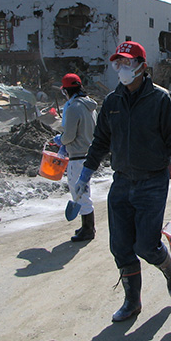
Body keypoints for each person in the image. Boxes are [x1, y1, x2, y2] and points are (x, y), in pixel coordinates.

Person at [74, 41, 171, 323]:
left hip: (152, 182)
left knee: (146, 246)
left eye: (127, 63)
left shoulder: (161, 100)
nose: (122, 69)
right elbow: (100, 141)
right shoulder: (112, 102)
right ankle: (132, 302)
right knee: (121, 246)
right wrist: (85, 175)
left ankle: (170, 269)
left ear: (142, 66)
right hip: (122, 182)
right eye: (118, 63)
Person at [53, 73, 98, 242]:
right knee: (84, 190)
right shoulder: (89, 106)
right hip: (89, 153)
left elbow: (69, 135)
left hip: (77, 155)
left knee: (79, 191)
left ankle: (88, 229)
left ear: (66, 90)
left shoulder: (73, 107)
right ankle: (87, 225)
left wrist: (60, 140)